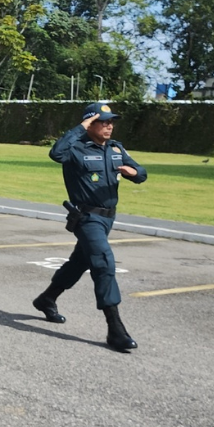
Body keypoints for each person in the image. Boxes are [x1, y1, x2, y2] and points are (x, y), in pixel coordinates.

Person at [32, 102, 147, 351]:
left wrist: (132, 172)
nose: (109, 125)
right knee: (103, 263)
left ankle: (47, 298)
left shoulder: (115, 148)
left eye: (111, 121)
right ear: (89, 124)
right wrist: (80, 127)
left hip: (108, 218)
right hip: (86, 218)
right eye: (103, 121)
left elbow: (141, 172)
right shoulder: (75, 149)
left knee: (80, 262)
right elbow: (56, 153)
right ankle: (115, 329)